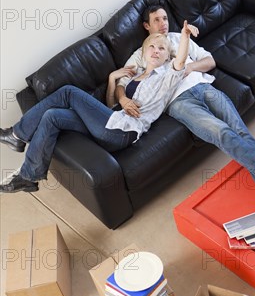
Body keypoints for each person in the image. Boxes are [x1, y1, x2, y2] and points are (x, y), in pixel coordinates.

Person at [109, 5, 255, 194]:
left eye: (165, 18)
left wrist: (190, 68)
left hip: (203, 87)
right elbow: (122, 83)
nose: (163, 23)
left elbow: (210, 61)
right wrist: (123, 99)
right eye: (156, 20)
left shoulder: (179, 38)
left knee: (238, 128)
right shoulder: (143, 52)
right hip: (179, 102)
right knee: (220, 130)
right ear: (146, 26)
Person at [0, 24, 197, 193]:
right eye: (151, 47)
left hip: (122, 132)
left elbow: (179, 63)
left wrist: (185, 36)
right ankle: (29, 176)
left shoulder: (166, 78)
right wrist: (113, 79)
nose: (156, 50)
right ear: (144, 53)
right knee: (52, 116)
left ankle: (16, 135)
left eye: (161, 48)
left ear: (166, 56)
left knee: (68, 92)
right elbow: (110, 104)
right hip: (110, 121)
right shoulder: (133, 78)